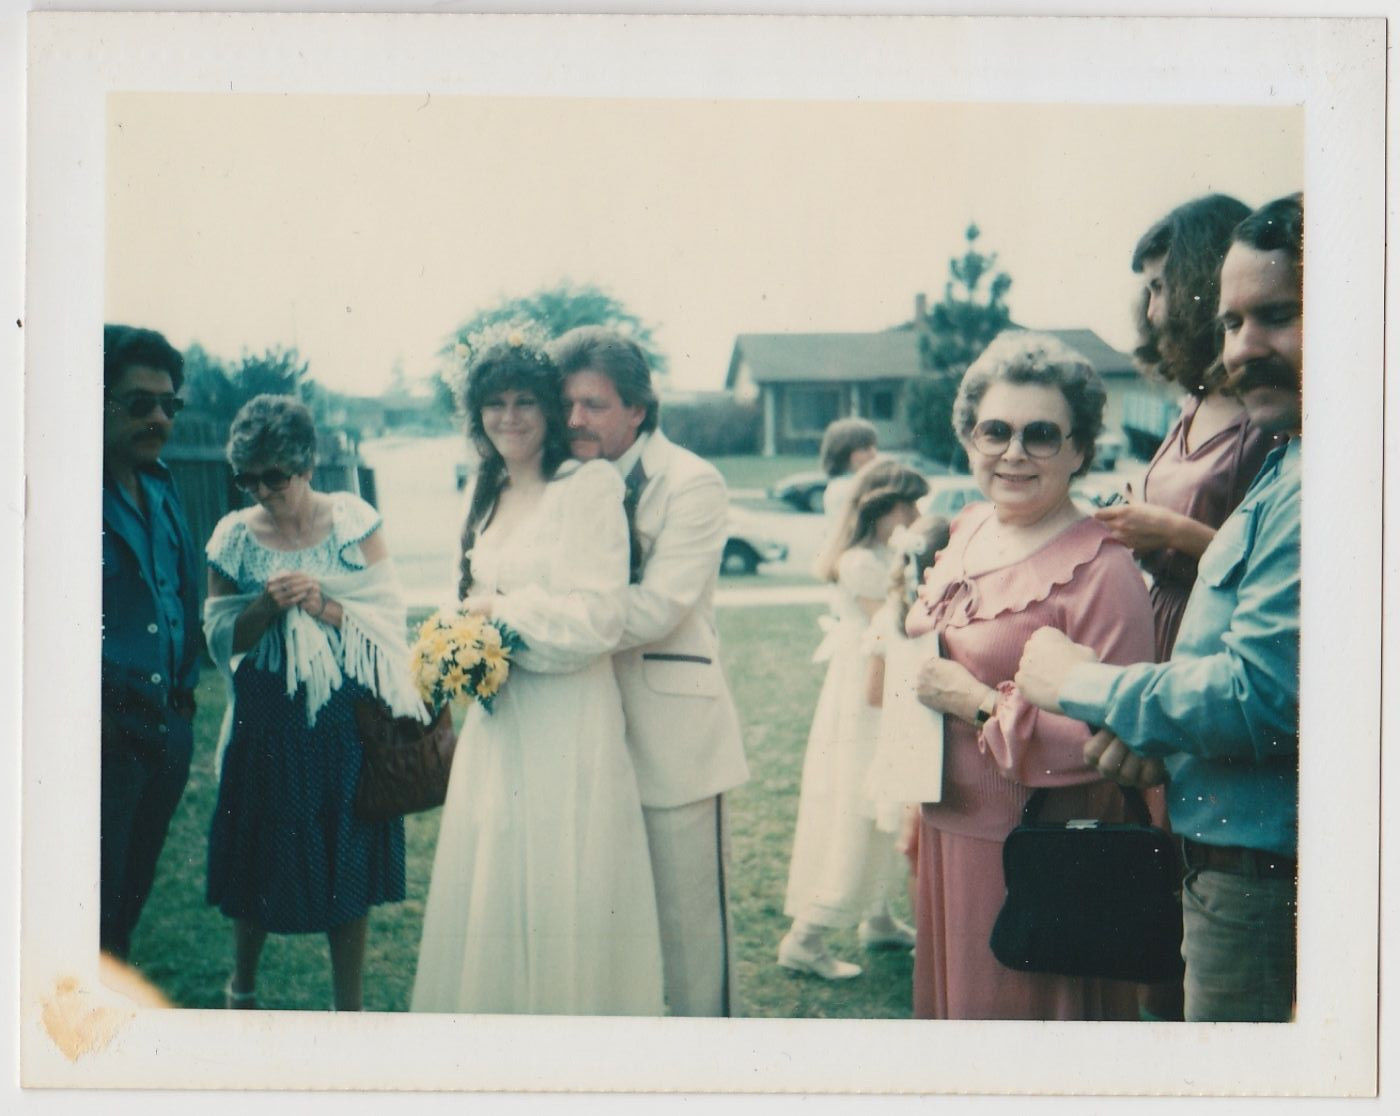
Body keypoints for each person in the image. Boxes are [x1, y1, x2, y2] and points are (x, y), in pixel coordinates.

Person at [1016, 194, 1302, 1023]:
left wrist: (1086, 685)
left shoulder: (1292, 453)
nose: (1245, 345)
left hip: (1255, 850)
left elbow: (1267, 691)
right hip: (1196, 759)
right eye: (1231, 322)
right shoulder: (1273, 440)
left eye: (1277, 315)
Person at [903, 331, 1155, 1020]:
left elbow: (1123, 741)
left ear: (1079, 449)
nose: (1014, 452)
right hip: (946, 828)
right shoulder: (969, 528)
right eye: (995, 431)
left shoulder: (1103, 572)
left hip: (1036, 857)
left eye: (1041, 434)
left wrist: (983, 706)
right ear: (968, 439)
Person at [412, 332, 663, 1016]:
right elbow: (470, 592)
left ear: (550, 411)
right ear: (476, 415)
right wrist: (457, 637)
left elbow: (599, 619)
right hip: (502, 722)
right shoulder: (487, 489)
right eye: (494, 403)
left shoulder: (587, 486)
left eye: (526, 401)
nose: (511, 417)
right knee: (499, 876)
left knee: (562, 880)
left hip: (567, 717)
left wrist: (502, 618)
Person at [551, 326, 748, 1017]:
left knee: (691, 936)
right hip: (578, 723)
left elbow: (662, 604)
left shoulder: (693, 482)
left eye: (594, 404)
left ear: (638, 408)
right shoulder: (556, 482)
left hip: (675, 735)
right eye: (567, 403)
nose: (574, 419)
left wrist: (542, 624)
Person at [203, 394, 421, 1011]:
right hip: (267, 718)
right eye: (248, 478)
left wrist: (323, 604)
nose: (263, 491)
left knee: (344, 850)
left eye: (275, 475)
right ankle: (241, 988)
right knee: (258, 852)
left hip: (343, 719)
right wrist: (265, 607)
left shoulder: (353, 519)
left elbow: (386, 617)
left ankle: (346, 1006)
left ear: (307, 465)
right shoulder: (232, 537)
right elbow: (221, 637)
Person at [1096, 194, 1278, 661]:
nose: (1153, 312)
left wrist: (1170, 530)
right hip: (1157, 623)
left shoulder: (1269, 415)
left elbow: (1275, 572)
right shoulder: (1193, 403)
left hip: (1217, 642)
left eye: (1161, 286)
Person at [778, 460, 928, 979]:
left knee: (881, 801)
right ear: (882, 506)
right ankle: (806, 937)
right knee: (858, 803)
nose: (915, 514)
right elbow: (894, 620)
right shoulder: (861, 561)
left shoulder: (886, 554)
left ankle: (879, 918)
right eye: (908, 505)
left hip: (880, 684)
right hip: (865, 693)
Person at [100, 324, 202, 960]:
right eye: (139, 404)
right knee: (86, 915)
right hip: (101, 743)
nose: (159, 418)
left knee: (126, 905)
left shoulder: (161, 487)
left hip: (165, 733)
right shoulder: (55, 491)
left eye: (170, 404)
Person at [819, 417, 879, 540]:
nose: (874, 453)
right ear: (848, 455)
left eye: (874, 447)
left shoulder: (855, 483)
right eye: (866, 448)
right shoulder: (845, 487)